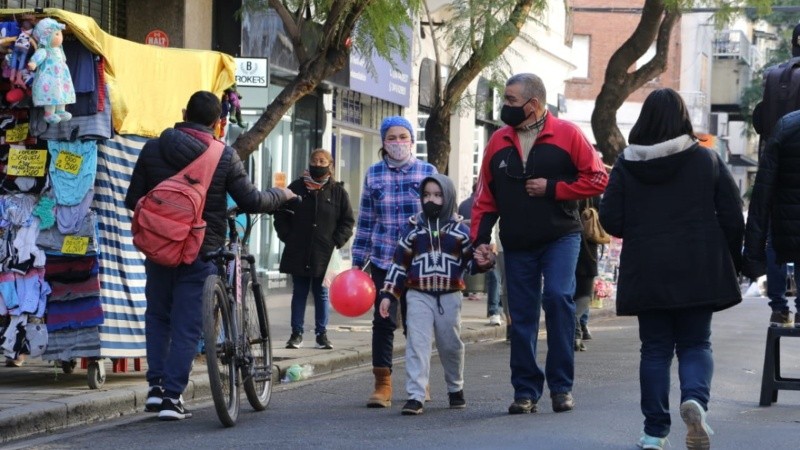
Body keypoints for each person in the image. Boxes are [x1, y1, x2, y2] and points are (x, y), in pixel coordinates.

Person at [125, 91, 295, 421]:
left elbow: (134, 200)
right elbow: (251, 201)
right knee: (188, 325)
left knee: (158, 316)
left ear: (183, 113)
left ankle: (156, 389)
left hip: (159, 249)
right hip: (201, 249)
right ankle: (172, 398)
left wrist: (166, 221)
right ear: (218, 122)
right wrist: (282, 195)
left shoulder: (152, 148)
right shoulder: (223, 155)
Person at [599, 88, 743, 450]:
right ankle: (695, 400)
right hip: (698, 266)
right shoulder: (706, 160)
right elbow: (732, 214)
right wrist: (734, 258)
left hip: (647, 268)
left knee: (655, 350)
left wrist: (641, 225)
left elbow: (610, 219)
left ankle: (654, 432)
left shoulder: (626, 164)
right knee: (696, 343)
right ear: (682, 119)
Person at [470, 73, 608, 415]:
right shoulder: (498, 141)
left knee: (558, 298)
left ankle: (561, 387)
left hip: (561, 236)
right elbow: (486, 198)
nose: (504, 106)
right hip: (517, 242)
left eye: (511, 100)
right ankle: (525, 390)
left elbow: (598, 178)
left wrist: (554, 188)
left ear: (532, 104)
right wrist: (479, 241)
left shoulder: (568, 134)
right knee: (521, 315)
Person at [377, 174, 494, 415]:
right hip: (418, 294)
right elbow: (399, 264)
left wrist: (485, 262)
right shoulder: (412, 230)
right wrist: (388, 295)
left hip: (450, 296)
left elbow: (470, 265)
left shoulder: (461, 232)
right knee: (417, 344)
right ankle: (416, 395)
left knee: (450, 345)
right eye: (427, 195)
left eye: (438, 195)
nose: (431, 200)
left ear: (448, 197)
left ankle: (455, 387)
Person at [351, 115, 437, 408]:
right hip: (383, 260)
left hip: (419, 261)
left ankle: (420, 381)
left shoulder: (427, 172)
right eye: (392, 138)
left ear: (412, 140)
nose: (398, 142)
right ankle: (382, 384)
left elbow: (438, 217)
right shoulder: (373, 174)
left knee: (417, 323)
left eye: (403, 137)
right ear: (383, 142)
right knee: (383, 321)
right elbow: (366, 220)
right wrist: (358, 260)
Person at [275, 149, 355, 350]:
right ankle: (296, 334)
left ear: (330, 165)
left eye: (322, 161)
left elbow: (347, 221)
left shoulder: (338, 192)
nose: (317, 164)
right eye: (314, 160)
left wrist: (335, 241)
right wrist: (288, 237)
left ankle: (322, 334)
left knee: (321, 293)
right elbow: (281, 215)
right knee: (299, 292)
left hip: (324, 252)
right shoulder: (296, 188)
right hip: (299, 249)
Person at [750, 23, 800, 327]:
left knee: (775, 238)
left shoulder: (775, 75)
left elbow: (759, 120)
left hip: (780, 167)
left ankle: (779, 307)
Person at [743, 106, 800, 327]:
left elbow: (763, 190)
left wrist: (752, 255)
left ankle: (779, 310)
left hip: (783, 219)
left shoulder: (786, 125)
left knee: (776, 250)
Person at [574, 196, 601, 352]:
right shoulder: (591, 191)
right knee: (584, 293)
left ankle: (576, 326)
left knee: (568, 293)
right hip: (587, 246)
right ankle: (576, 324)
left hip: (561, 246)